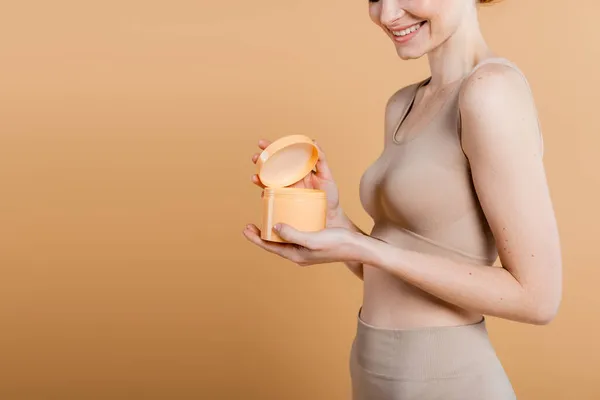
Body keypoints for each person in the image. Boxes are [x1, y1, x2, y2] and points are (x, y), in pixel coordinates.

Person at [243, 0, 562, 398]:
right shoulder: (403, 103)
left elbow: (538, 299)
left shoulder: (490, 92)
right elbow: (402, 267)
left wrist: (367, 248)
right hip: (372, 366)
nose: (387, 14)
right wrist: (336, 219)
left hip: (445, 378)